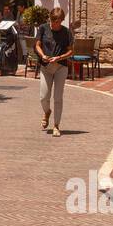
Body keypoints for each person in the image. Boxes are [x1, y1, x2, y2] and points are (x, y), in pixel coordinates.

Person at [35, 7, 73, 137]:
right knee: (43, 97)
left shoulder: (66, 32)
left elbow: (71, 51)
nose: (53, 23)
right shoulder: (43, 28)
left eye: (56, 21)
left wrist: (59, 57)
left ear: (61, 21)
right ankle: (47, 111)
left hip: (60, 67)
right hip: (46, 67)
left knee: (58, 97)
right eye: (51, 20)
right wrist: (42, 55)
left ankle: (56, 125)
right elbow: (37, 45)